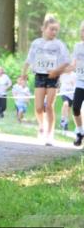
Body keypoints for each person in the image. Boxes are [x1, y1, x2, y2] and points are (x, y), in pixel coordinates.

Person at [22, 15, 71, 145]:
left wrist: (56, 71)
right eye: (51, 29)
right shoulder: (36, 43)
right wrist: (23, 74)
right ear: (43, 28)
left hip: (53, 78)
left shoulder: (59, 44)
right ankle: (42, 125)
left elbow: (67, 61)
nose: (54, 32)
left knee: (49, 106)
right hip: (39, 76)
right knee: (38, 108)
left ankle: (50, 135)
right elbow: (28, 60)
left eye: (56, 30)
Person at [71, 21, 84, 147]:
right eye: (83, 31)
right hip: (80, 81)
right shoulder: (77, 46)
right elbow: (73, 63)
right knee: (75, 107)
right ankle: (80, 132)